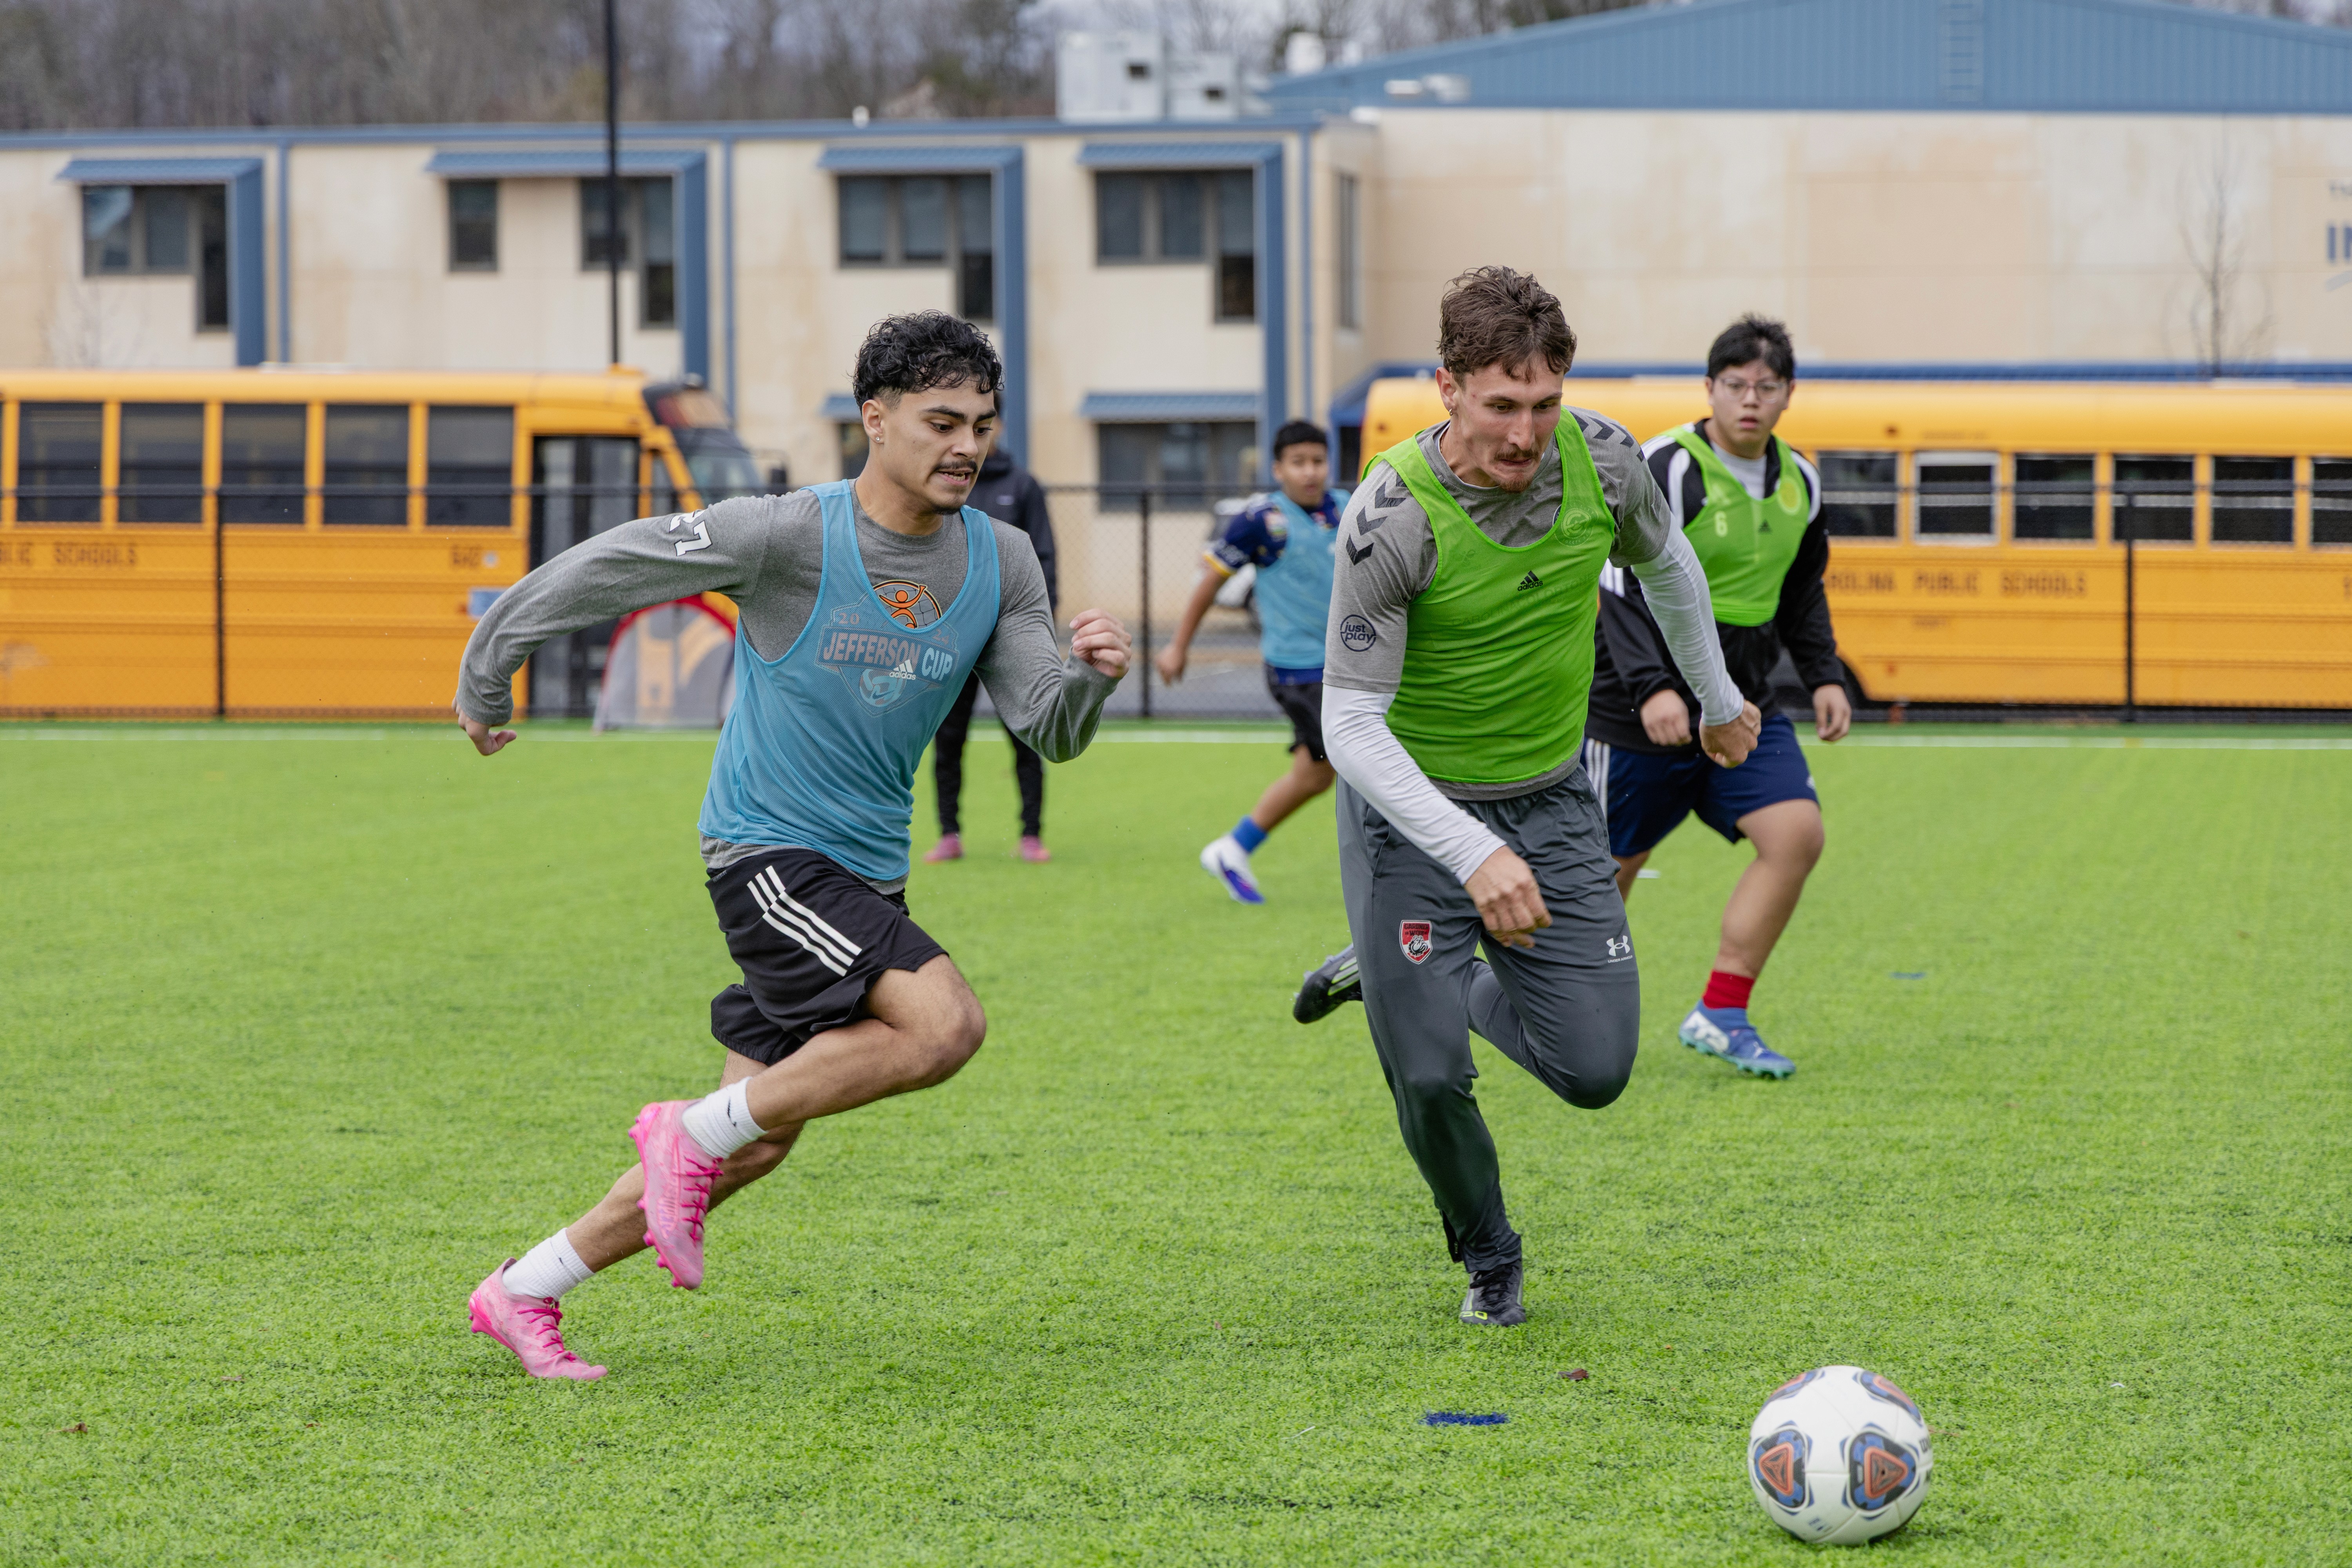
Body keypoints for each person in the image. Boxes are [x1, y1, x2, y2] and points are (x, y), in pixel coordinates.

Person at [451, 312, 1131, 1379]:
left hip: (865, 873)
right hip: (766, 856)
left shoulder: (1001, 558)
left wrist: (1090, 676)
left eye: (983, 425)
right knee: (945, 1025)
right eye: (940, 421)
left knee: (754, 1138)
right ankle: (682, 1131)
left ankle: (524, 1290)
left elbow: (1047, 725)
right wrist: (489, 665)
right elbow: (615, 564)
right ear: (876, 419)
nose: (967, 445)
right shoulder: (787, 534)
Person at [1292, 267, 1758, 1328]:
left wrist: (1718, 695)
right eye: (1502, 405)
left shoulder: (1603, 460)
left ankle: (1398, 974)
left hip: (1550, 805)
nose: (1525, 432)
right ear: (1446, 387)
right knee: (1429, 1076)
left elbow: (1670, 566)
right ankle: (1489, 1251)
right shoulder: (1392, 514)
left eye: (1543, 403)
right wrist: (1467, 854)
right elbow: (1350, 726)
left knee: (1596, 1070)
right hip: (1411, 819)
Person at [1583, 314, 1849, 1081]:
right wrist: (1655, 689)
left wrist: (1825, 673)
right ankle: (1557, 1013)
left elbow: (1803, 588)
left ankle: (1722, 1010)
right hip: (1638, 712)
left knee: (1796, 833)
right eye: (1735, 385)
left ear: (1788, 395)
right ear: (1710, 388)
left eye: (1767, 387)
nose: (1750, 400)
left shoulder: (1803, 478)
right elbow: (1620, 580)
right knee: (1606, 876)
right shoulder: (1666, 464)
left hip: (1741, 706)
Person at [1154, 419, 1350, 904]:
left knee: (1316, 775)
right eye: (1298, 463)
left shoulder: (1349, 508)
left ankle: (1232, 848)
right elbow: (1210, 583)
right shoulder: (1261, 519)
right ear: (1278, 468)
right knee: (1366, 761)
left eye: (1318, 461)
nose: (1310, 472)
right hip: (1297, 670)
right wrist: (1179, 645)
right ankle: (1401, 875)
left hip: (1346, 667)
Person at [925, 443, 1058, 864]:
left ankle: (1031, 835)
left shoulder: (1023, 485)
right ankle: (949, 834)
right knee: (947, 740)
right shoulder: (942, 482)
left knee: (1026, 737)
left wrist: (1039, 630)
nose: (971, 437)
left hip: (1008, 638)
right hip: (953, 636)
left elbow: (1045, 557)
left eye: (983, 424)